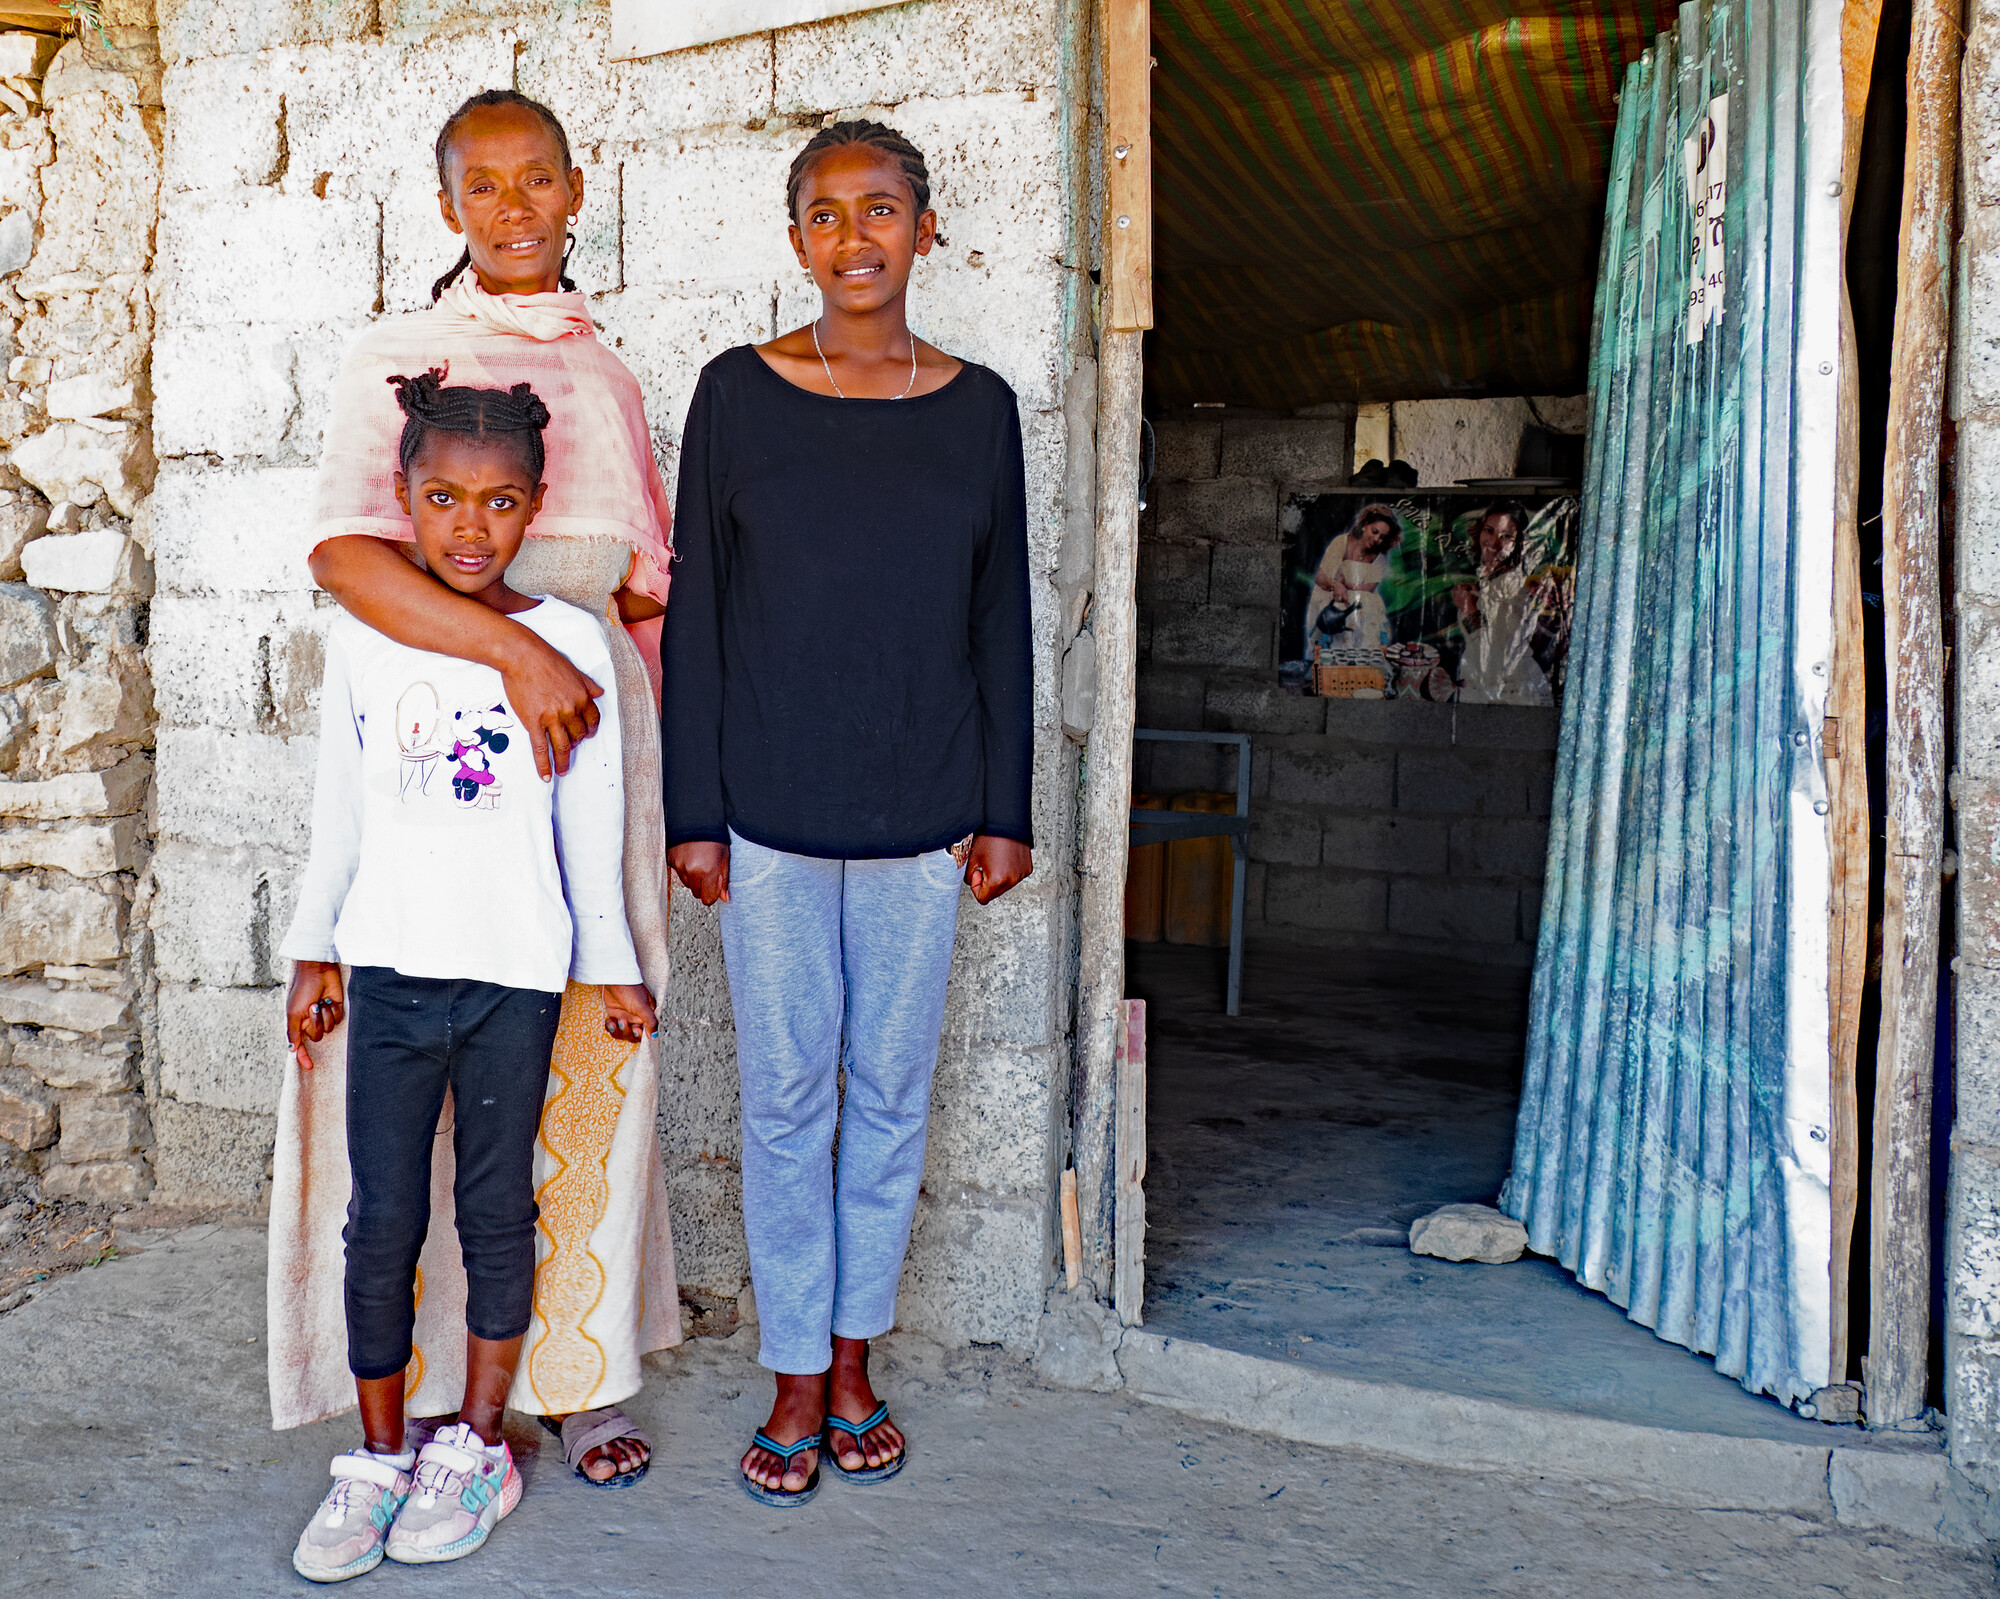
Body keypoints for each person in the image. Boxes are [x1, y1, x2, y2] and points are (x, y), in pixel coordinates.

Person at [267, 89, 674, 1490]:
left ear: (578, 190)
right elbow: (346, 557)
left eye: (538, 182)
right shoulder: (401, 358)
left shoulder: (605, 376)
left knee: (584, 1098)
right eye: (482, 187)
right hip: (455, 728)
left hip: (592, 755)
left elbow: (642, 595)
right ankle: (420, 1392)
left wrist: (659, 774)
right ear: (448, 206)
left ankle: (580, 1369)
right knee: (402, 1152)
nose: (513, 208)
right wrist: (512, 647)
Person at [660, 120, 1035, 1506]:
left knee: (887, 1096)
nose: (855, 237)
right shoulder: (738, 396)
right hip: (763, 810)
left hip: (924, 807)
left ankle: (857, 1350)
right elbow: (696, 613)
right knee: (785, 1098)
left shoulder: (978, 406)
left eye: (882, 210)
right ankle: (792, 1368)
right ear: (798, 237)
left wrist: (1006, 807)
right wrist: (695, 811)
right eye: (826, 213)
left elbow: (1002, 613)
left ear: (925, 231)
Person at [282, 372, 656, 1580]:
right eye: (441, 498)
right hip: (390, 971)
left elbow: (586, 835)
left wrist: (611, 971)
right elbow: (337, 812)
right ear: (401, 495)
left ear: (535, 507)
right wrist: (313, 947)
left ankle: (478, 1444)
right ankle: (381, 1458)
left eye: (498, 504)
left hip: (514, 979)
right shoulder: (365, 635)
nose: (467, 527)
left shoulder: (568, 644)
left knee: (498, 1212)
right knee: (380, 1219)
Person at [1451, 502, 1564, 705]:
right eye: (1489, 531)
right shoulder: (1489, 581)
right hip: (1484, 688)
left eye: (1506, 536)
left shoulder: (1512, 586)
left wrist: (1468, 610)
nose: (1494, 543)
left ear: (1520, 542)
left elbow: (1492, 653)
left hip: (1509, 693)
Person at [1305, 502, 1402, 655]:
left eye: (1382, 537)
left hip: (1360, 598)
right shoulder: (1342, 542)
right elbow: (1321, 577)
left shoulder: (1380, 557)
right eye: (1374, 531)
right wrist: (1337, 585)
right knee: (1337, 608)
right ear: (1365, 524)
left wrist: (1347, 585)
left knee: (1369, 605)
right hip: (1331, 593)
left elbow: (1369, 588)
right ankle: (1329, 658)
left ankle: (1363, 658)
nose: (1377, 539)